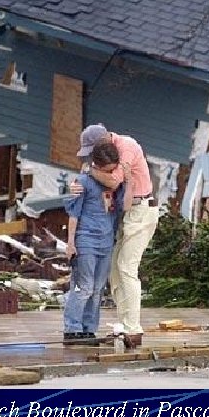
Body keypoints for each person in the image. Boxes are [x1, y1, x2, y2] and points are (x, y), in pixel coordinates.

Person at [73, 124, 160, 349]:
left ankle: (133, 329)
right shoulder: (108, 153)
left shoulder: (127, 147)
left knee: (127, 267)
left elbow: (113, 181)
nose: (92, 158)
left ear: (103, 142)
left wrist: (88, 171)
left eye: (92, 153)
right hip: (128, 212)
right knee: (114, 268)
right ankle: (124, 324)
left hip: (142, 210)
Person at [62, 141, 130, 346]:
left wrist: (129, 179)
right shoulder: (83, 182)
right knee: (84, 287)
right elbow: (74, 214)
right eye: (109, 169)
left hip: (106, 240)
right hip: (86, 239)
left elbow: (123, 206)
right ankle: (72, 328)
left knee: (98, 288)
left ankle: (89, 328)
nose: (112, 172)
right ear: (98, 166)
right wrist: (71, 243)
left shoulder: (116, 185)